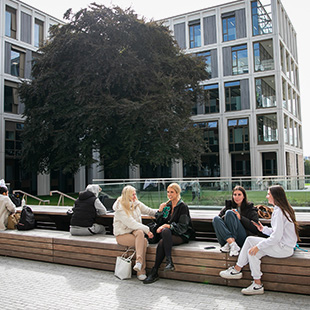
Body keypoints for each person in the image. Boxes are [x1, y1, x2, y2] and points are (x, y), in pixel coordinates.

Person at [219, 185, 299, 295]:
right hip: (283, 246)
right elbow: (277, 232)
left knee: (251, 243)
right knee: (252, 252)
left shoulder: (279, 212)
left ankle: (237, 269)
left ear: (275, 196)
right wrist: (264, 229)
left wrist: (259, 246)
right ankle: (257, 285)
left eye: (268, 194)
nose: (267, 197)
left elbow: (276, 238)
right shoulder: (280, 210)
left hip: (283, 248)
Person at [143, 183, 195, 284]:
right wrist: (159, 210)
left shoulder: (182, 207)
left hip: (180, 235)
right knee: (164, 235)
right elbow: (159, 222)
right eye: (168, 192)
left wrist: (168, 226)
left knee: (164, 238)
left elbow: (183, 226)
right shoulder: (167, 206)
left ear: (177, 193)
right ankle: (168, 262)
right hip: (168, 235)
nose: (169, 194)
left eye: (172, 192)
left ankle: (155, 271)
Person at [113, 185, 156, 281]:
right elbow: (131, 223)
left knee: (140, 233)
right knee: (143, 242)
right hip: (122, 235)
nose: (134, 196)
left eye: (135, 194)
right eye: (132, 194)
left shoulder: (135, 203)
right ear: (127, 195)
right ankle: (141, 271)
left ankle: (139, 263)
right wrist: (147, 230)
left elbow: (148, 211)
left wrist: (160, 211)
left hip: (134, 232)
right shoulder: (120, 208)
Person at [212, 186, 259, 256]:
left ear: (244, 196)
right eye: (235, 195)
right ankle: (232, 243)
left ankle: (232, 244)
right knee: (216, 218)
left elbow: (255, 228)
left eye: (239, 194)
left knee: (230, 213)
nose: (237, 197)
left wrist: (240, 218)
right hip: (225, 241)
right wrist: (227, 218)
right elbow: (219, 222)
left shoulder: (250, 208)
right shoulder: (228, 207)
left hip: (241, 238)